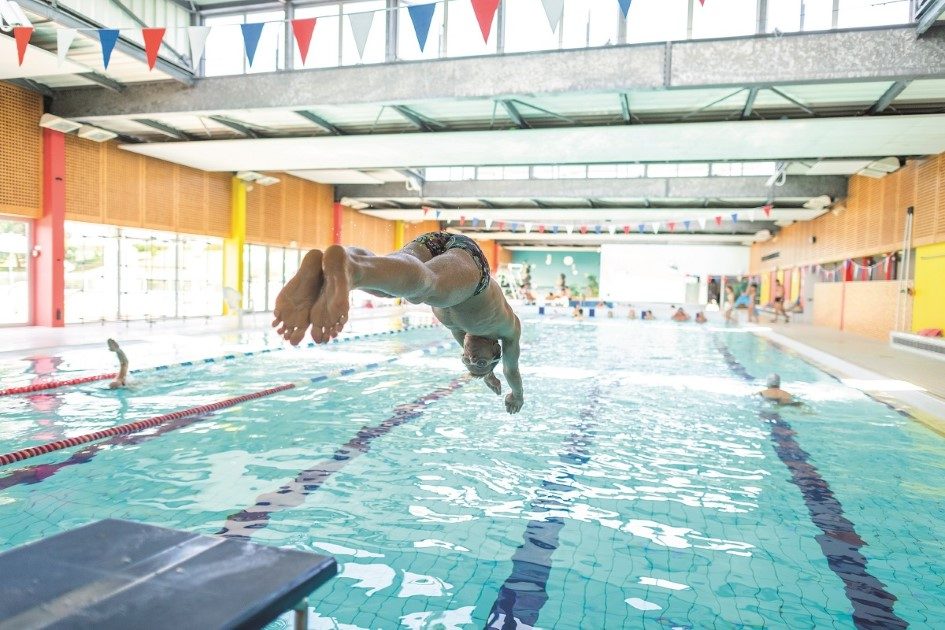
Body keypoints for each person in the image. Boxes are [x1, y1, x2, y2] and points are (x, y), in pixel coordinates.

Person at [273, 234, 524, 414]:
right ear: (496, 351)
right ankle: (352, 269)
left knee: (390, 288)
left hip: (431, 243)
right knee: (425, 287)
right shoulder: (507, 330)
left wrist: (485, 371)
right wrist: (517, 395)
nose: (470, 357)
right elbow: (511, 370)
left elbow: (482, 360)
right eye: (479, 361)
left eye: (466, 360)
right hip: (471, 264)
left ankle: (341, 262)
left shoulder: (463, 334)